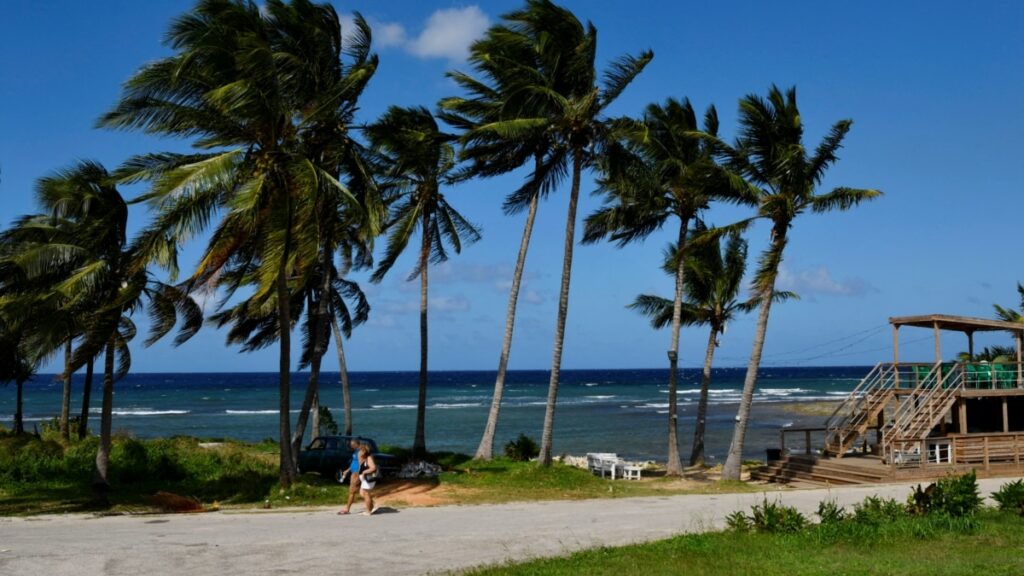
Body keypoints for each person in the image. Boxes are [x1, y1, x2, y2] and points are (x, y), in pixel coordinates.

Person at [337, 438, 363, 515]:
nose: (351, 446)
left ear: (356, 444)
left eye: (352, 444)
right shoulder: (355, 451)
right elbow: (353, 462)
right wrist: (348, 470)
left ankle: (347, 509)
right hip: (353, 472)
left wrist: (358, 474)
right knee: (360, 491)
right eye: (351, 445)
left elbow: (361, 464)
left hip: (356, 473)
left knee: (352, 491)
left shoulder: (360, 451)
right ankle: (372, 504)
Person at [357, 442, 378, 516]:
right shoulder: (364, 457)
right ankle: (372, 505)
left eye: (360, 450)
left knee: (366, 494)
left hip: (368, 478)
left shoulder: (368, 457)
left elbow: (373, 467)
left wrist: (364, 472)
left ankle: (368, 510)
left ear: (364, 450)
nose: (359, 452)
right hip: (364, 479)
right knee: (362, 493)